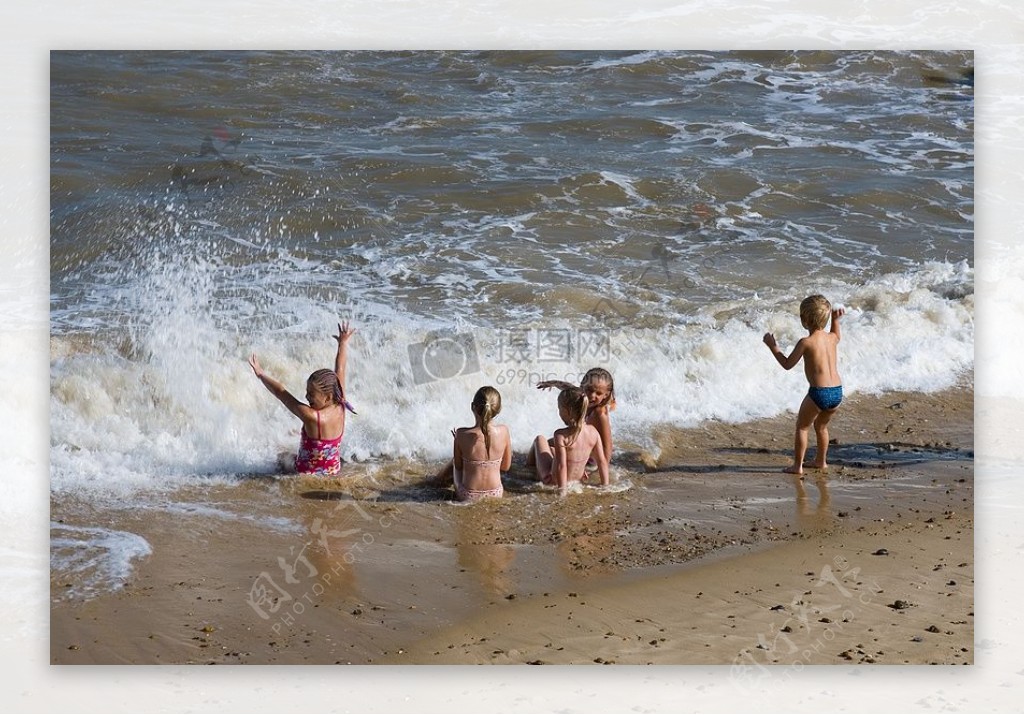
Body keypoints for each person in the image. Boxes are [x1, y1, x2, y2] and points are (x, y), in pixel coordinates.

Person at [248, 321, 357, 476]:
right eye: (307, 392)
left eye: (311, 394)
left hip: (306, 473)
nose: (307, 397)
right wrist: (343, 343)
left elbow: (281, 392)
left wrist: (261, 374)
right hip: (333, 472)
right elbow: (340, 368)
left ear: (327, 397)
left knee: (281, 458)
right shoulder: (341, 403)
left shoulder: (312, 416)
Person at [763, 296, 845, 475]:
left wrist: (773, 346)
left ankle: (797, 466)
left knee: (802, 427)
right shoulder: (832, 338)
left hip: (819, 393)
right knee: (821, 427)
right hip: (837, 392)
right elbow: (837, 334)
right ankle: (820, 462)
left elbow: (787, 364)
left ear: (804, 320)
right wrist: (836, 320)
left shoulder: (805, 342)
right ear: (826, 319)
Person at [529, 387, 610, 494]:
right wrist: (605, 486)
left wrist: (562, 490)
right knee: (552, 449)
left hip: (552, 480)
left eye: (560, 409)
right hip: (577, 480)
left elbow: (561, 466)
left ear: (567, 411)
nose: (559, 412)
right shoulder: (593, 432)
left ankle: (528, 467)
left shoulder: (561, 435)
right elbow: (602, 461)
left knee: (539, 439)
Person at [535, 367, 616, 468]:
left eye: (598, 393)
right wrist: (553, 383)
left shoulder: (599, 414)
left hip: (590, 460)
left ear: (606, 395)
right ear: (582, 387)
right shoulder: (583, 398)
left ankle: (533, 470)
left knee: (544, 445)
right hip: (584, 450)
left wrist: (601, 470)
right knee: (549, 444)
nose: (592, 395)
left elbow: (607, 446)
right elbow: (569, 389)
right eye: (589, 390)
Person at [446, 386, 512, 502]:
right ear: (499, 409)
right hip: (495, 493)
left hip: (468, 494)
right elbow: (505, 467)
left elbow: (458, 466)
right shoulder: (504, 431)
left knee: (453, 463)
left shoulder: (461, 433)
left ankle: (434, 482)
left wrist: (458, 441)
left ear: (473, 407)